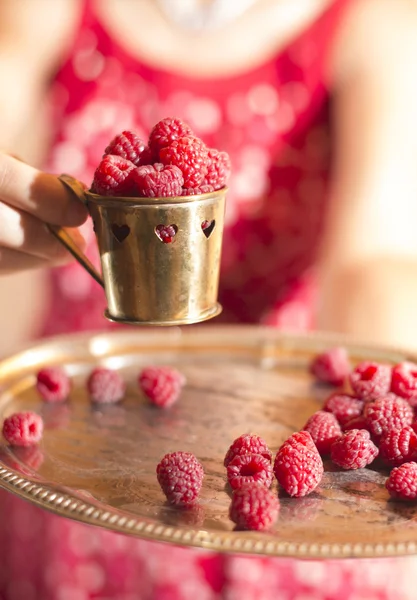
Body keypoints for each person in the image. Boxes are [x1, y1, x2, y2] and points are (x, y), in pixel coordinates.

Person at [0, 0, 416, 597]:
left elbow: (374, 255)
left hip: (275, 469)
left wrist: (386, 407)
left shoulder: (373, 20)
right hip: (85, 454)